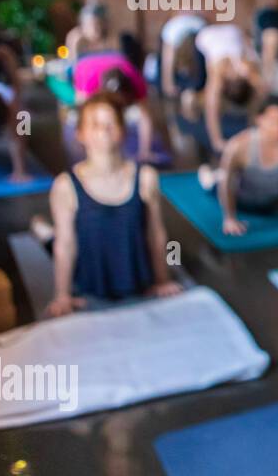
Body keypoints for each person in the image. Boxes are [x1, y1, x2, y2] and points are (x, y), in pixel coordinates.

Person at [46, 94, 182, 317]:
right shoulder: (65, 185)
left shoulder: (146, 177)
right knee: (53, 239)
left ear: (123, 131)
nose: (104, 131)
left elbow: (156, 233)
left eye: (111, 124)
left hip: (137, 280)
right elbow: (66, 244)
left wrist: (162, 280)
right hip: (92, 285)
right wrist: (62, 295)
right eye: (96, 125)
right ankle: (43, 231)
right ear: (80, 133)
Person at [197, 96, 278, 236]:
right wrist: (229, 218)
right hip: (240, 198)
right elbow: (227, 183)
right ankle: (207, 173)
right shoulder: (238, 146)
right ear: (259, 119)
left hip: (270, 201)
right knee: (213, 181)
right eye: (272, 120)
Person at [72, 47, 157, 162]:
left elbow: (145, 117)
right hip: (85, 62)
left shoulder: (137, 81)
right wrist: (89, 154)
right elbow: (82, 120)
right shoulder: (89, 81)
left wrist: (145, 151)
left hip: (117, 58)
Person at [194, 22, 261, 153]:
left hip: (214, 35)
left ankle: (253, 126)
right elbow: (211, 108)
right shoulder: (239, 70)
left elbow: (211, 108)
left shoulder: (231, 72)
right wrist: (217, 141)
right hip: (220, 33)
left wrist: (217, 141)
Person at [157, 11, 207, 112]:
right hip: (190, 31)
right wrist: (168, 84)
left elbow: (167, 64)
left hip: (197, 34)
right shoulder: (171, 32)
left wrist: (168, 84)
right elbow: (167, 63)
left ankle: (190, 96)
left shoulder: (202, 34)